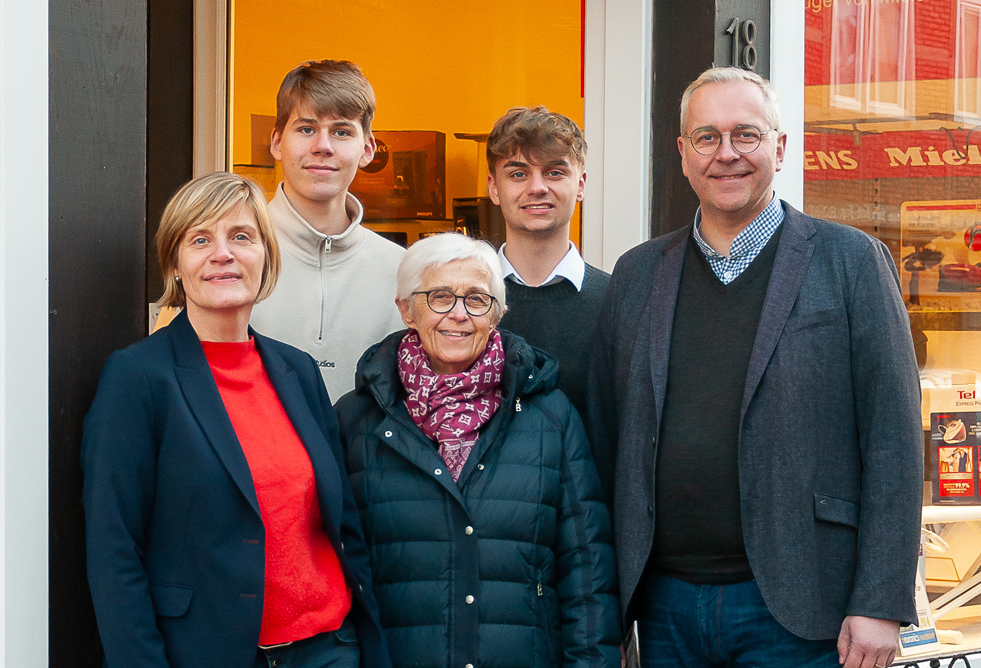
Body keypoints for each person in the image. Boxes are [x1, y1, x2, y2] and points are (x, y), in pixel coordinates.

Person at [586, 67, 922, 668]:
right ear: (683, 153)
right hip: (663, 605)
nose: (727, 154)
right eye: (707, 137)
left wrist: (881, 600)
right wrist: (604, 605)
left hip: (805, 606)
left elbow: (894, 438)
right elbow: (608, 443)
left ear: (780, 147)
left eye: (746, 134)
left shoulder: (851, 262)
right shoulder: (638, 273)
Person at [82, 172, 389, 668]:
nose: (222, 254)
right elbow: (113, 549)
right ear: (175, 264)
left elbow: (342, 523)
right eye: (200, 240)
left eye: (241, 237)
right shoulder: (138, 377)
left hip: (330, 649)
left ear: (265, 256)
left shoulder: (297, 370)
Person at [335, 233, 621, 668]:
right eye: (439, 297)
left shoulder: (549, 416)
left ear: (498, 314)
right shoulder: (358, 420)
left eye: (476, 299)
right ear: (406, 310)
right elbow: (334, 571)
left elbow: (587, 570)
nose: (459, 314)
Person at [249, 59, 405, 401]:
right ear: (276, 142)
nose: (323, 146)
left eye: (341, 132)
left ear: (367, 149)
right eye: (306, 129)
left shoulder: (403, 271)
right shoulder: (232, 257)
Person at [486, 106, 609, 427]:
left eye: (554, 172)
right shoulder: (464, 304)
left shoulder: (617, 300)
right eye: (518, 174)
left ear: (580, 185)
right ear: (494, 188)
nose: (537, 187)